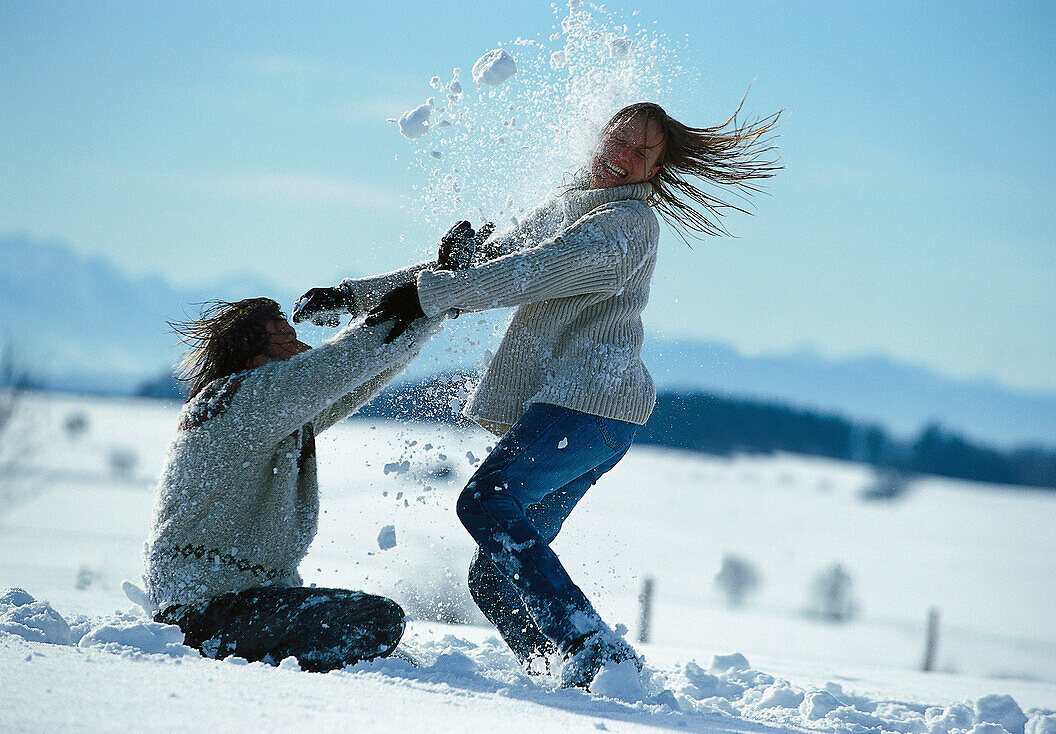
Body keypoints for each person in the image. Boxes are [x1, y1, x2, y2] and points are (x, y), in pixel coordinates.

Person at [296, 100, 781, 687]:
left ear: (656, 170)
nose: (620, 155)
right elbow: (485, 263)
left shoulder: (625, 227)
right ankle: (561, 675)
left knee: (484, 504)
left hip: (588, 404)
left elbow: (534, 272)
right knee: (494, 573)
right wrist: (358, 295)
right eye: (617, 138)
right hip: (594, 417)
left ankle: (591, 646)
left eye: (640, 151)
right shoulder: (572, 209)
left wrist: (435, 294)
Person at [142, 276, 453, 671]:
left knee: (374, 629)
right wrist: (418, 301)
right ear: (255, 360)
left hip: (220, 602)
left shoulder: (259, 408)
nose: (303, 347)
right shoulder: (249, 396)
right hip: (206, 612)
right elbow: (341, 363)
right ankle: (277, 672)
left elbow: (360, 374)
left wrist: (434, 304)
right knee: (376, 622)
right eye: (286, 340)